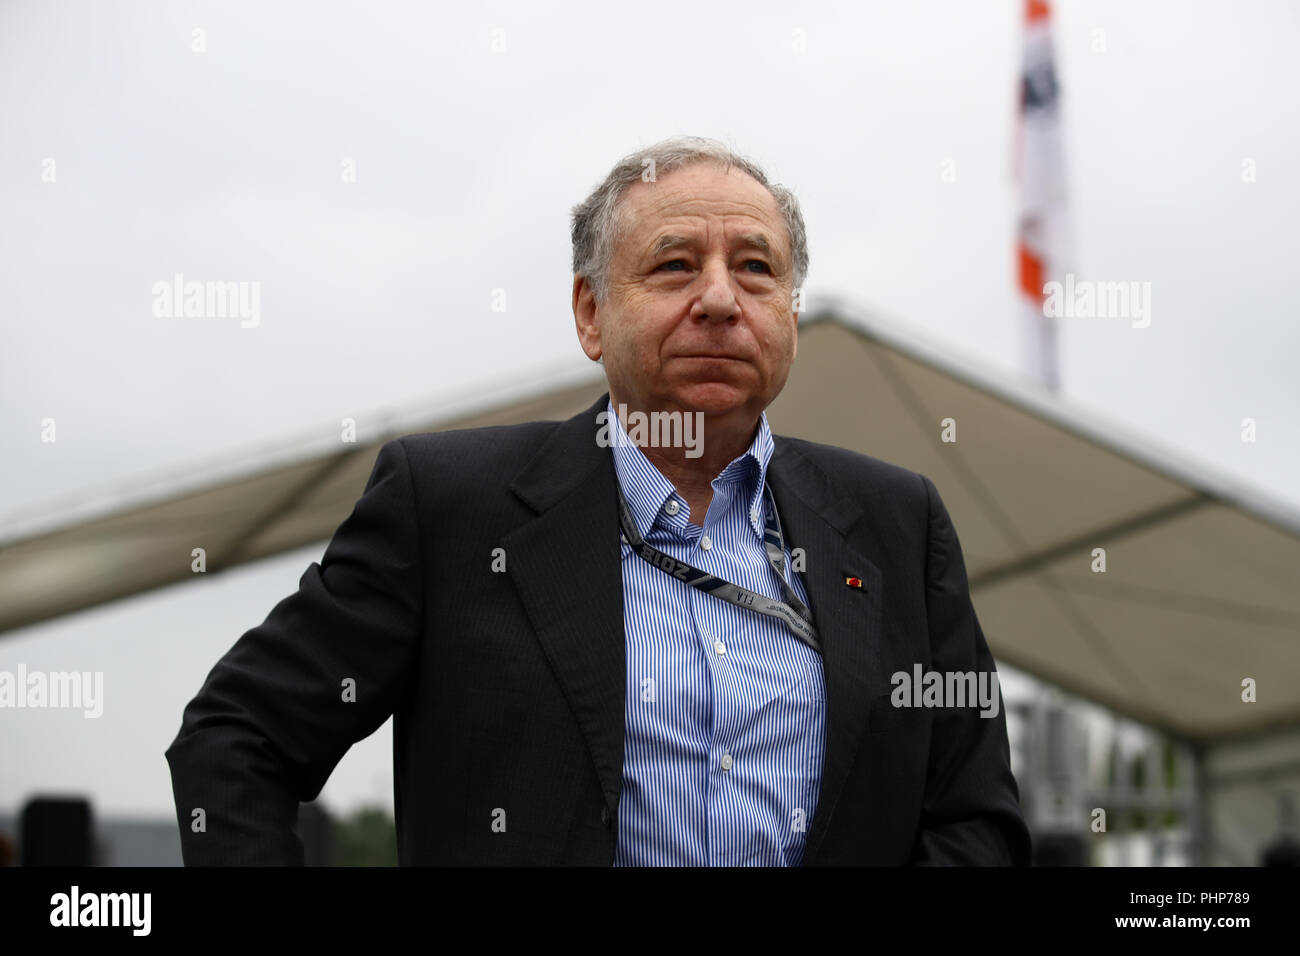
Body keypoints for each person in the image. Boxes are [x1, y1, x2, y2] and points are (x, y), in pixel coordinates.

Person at [166, 135, 1031, 866]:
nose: (722, 299)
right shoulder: (451, 511)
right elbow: (237, 737)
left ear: (789, 317)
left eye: (756, 269)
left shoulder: (896, 525)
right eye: (677, 266)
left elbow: (976, 820)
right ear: (590, 313)